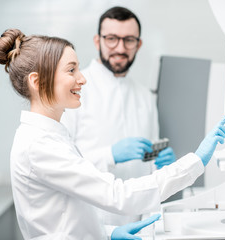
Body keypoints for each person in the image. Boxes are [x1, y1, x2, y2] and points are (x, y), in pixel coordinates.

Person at [0, 28, 225, 240]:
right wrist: (196, 161)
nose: (82, 78)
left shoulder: (50, 136)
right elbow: (117, 195)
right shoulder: (40, 145)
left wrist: (108, 234)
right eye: (71, 70)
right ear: (37, 81)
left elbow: (67, 216)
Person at [61, 6, 177, 225]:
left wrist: (162, 168)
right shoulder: (74, 90)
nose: (120, 48)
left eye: (129, 40)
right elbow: (62, 167)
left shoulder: (145, 96)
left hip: (138, 224)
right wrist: (110, 155)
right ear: (98, 41)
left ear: (138, 44)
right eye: (112, 38)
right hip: (89, 225)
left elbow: (148, 165)